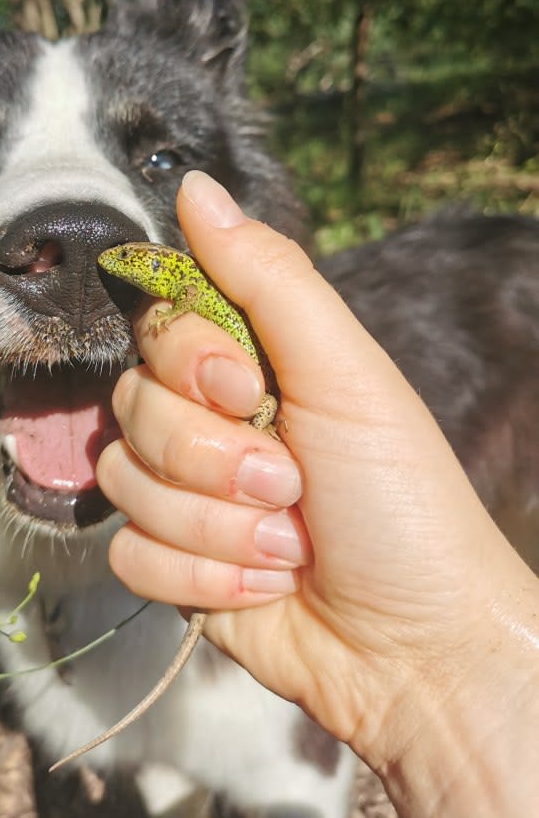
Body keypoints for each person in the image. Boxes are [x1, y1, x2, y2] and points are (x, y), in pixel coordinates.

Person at [96, 170, 539, 817]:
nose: (120, 265)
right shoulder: (179, 298)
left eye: (133, 259)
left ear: (160, 270)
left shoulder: (189, 290)